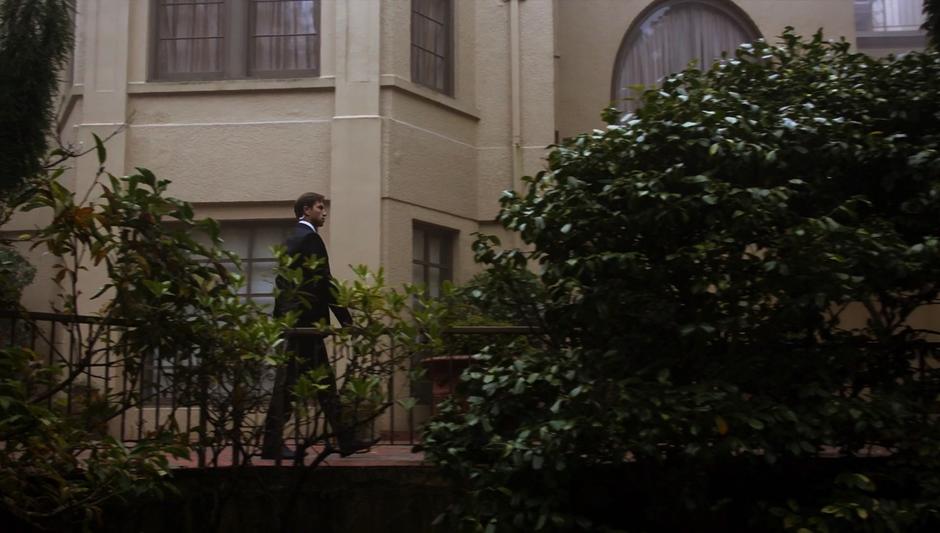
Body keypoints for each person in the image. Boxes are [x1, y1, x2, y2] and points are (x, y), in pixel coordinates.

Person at [261, 192, 374, 460]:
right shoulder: (310, 238)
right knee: (290, 387)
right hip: (305, 327)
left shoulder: (292, 237)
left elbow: (282, 282)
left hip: (298, 325)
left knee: (319, 386)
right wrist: (346, 320)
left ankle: (344, 440)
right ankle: (272, 444)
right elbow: (325, 281)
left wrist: (282, 321)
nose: (325, 212)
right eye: (320, 207)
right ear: (306, 209)